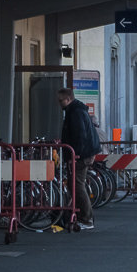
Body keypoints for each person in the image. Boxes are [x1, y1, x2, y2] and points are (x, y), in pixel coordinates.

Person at [57, 88, 101, 230]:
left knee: (77, 185)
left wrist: (74, 155)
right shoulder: (77, 111)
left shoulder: (75, 113)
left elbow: (79, 135)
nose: (59, 104)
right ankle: (82, 216)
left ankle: (86, 219)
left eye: (61, 100)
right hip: (84, 153)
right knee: (76, 185)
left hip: (81, 155)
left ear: (68, 99)